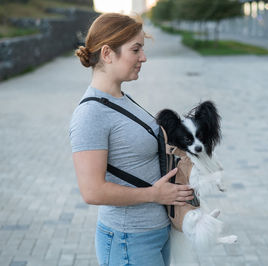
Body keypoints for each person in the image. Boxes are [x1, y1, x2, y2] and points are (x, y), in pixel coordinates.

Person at [70, 13, 194, 266]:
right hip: (128, 240)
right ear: (107, 54)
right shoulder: (90, 114)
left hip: (154, 232)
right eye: (135, 49)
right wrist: (154, 195)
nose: (143, 58)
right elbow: (92, 191)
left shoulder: (121, 98)